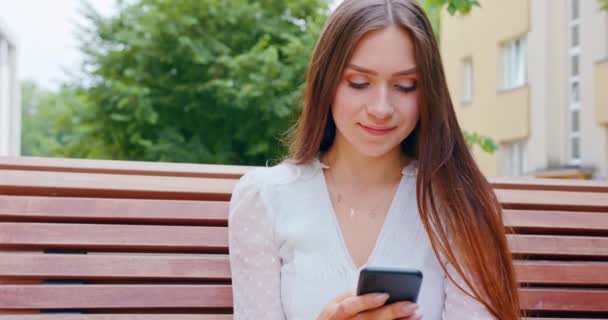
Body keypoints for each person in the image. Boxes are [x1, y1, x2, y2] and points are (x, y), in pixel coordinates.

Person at [228, 0, 521, 319]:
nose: (381, 108)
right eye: (359, 83)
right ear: (326, 82)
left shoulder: (458, 204)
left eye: (405, 86)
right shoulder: (265, 198)